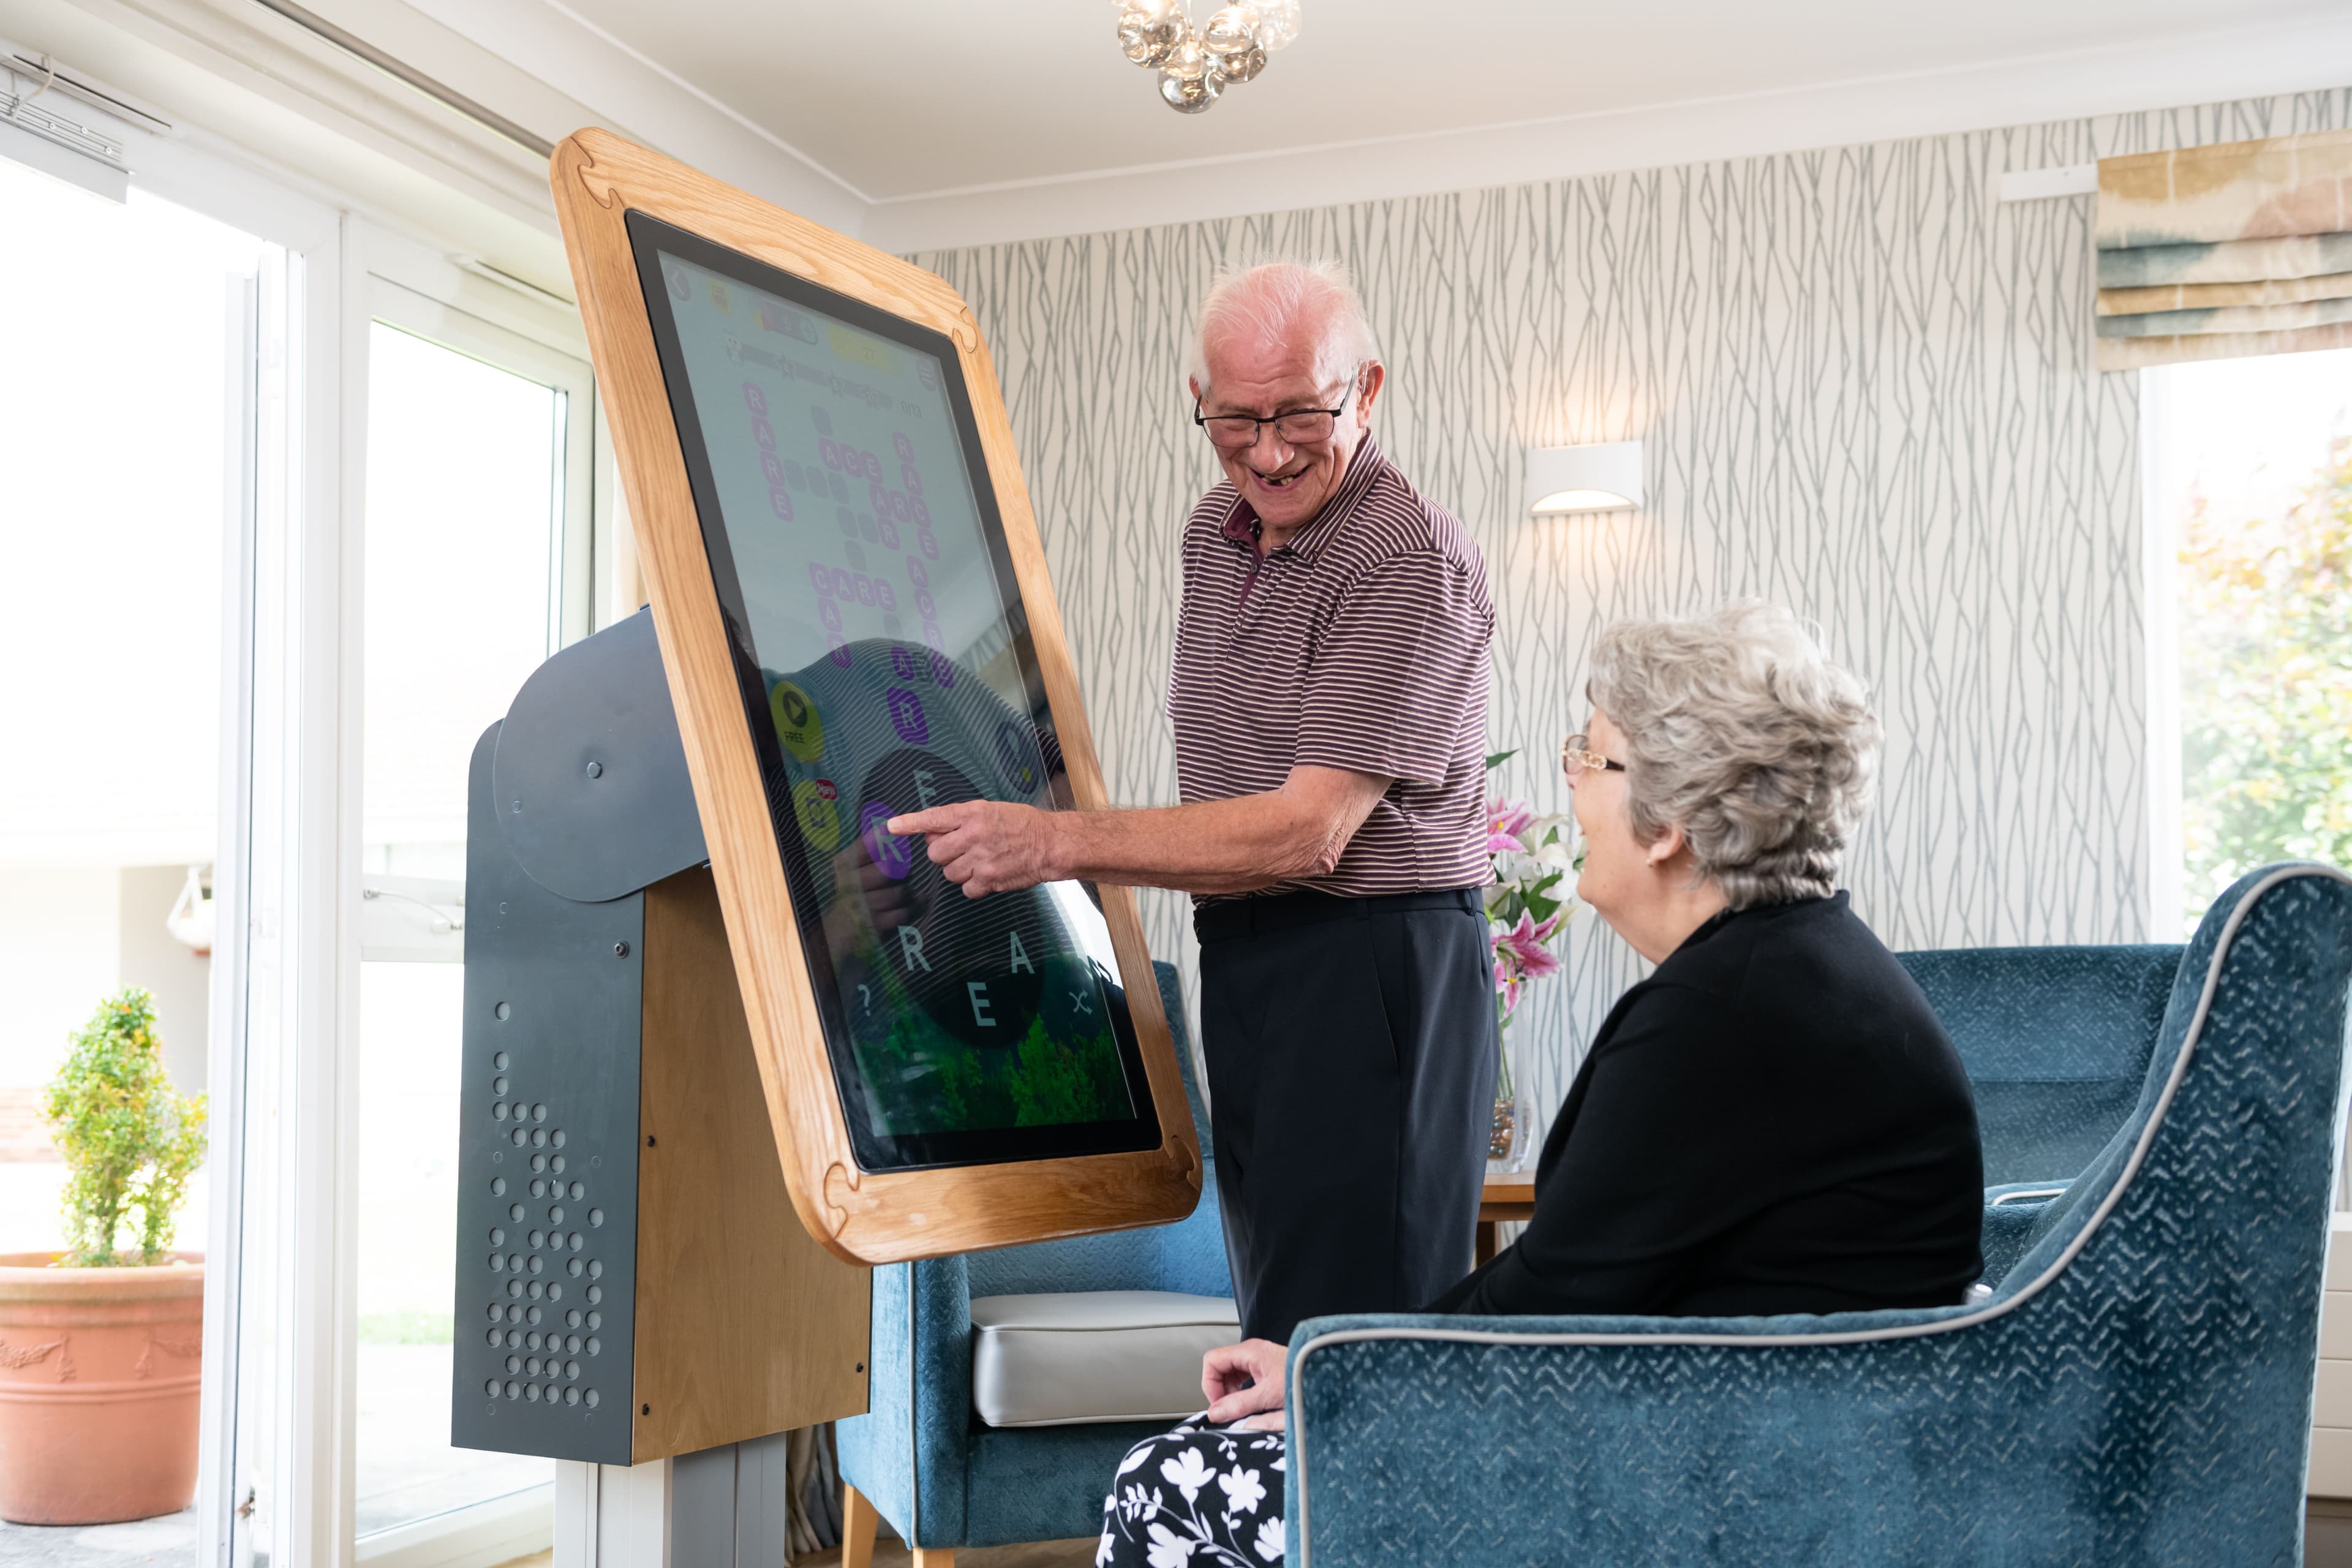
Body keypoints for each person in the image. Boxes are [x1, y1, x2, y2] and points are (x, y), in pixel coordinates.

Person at [1091, 601, 1985, 1566]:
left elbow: (1550, 1311)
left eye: (1591, 758)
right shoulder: (1809, 972)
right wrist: (1318, 1357)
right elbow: (1574, 1289)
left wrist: (1325, 1369)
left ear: (1669, 827)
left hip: (1710, 1495)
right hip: (1787, 1455)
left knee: (1169, 1484)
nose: (1570, 782)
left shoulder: (1724, 1017)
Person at [888, 260, 1499, 1345]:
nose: (1268, 451)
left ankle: (1347, 1523)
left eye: (1300, 414)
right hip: (1250, 953)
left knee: (1350, 1344)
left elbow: (1311, 829)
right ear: (1197, 404)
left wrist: (1057, 844)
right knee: (1276, 1322)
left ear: (1368, 390)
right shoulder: (1211, 537)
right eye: (1236, 420)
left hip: (1374, 961)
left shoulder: (1406, 553)